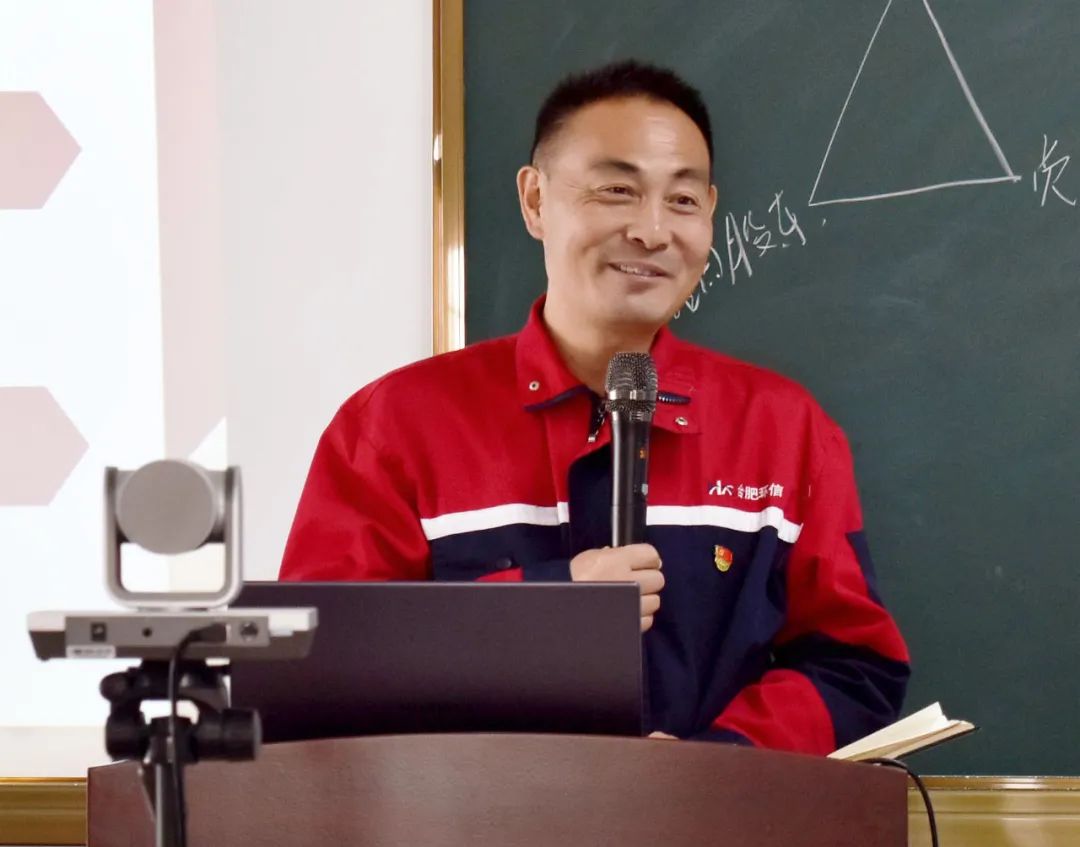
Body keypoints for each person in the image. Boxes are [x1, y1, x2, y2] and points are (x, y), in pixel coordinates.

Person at [279, 60, 910, 753]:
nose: (652, 231)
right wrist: (546, 606)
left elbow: (856, 669)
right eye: (617, 190)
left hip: (708, 809)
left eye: (683, 200)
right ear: (535, 200)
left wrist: (717, 763)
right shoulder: (395, 425)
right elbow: (315, 665)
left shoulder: (784, 430)